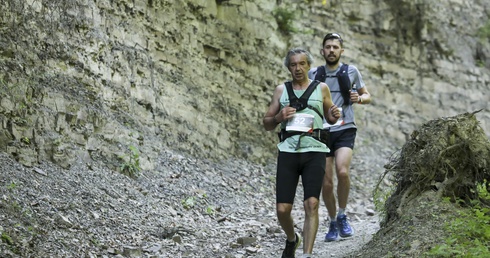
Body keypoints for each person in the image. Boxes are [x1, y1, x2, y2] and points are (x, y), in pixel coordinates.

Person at [263, 47, 340, 258]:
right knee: (282, 209)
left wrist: (334, 114)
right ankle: (292, 239)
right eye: (293, 64)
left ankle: (306, 254)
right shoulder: (281, 90)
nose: (298, 68)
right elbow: (267, 123)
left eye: (302, 64)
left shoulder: (321, 88)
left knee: (312, 203)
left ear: (309, 65)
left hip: (314, 149)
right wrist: (279, 117)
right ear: (289, 67)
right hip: (288, 151)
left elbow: (331, 117)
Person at [308, 33, 372, 242]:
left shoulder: (351, 71)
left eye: (335, 47)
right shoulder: (314, 73)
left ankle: (343, 214)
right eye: (328, 47)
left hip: (346, 127)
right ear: (322, 51)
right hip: (322, 130)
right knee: (326, 183)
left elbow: (367, 95)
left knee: (342, 171)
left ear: (341, 51)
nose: (332, 50)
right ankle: (333, 220)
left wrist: (359, 98)